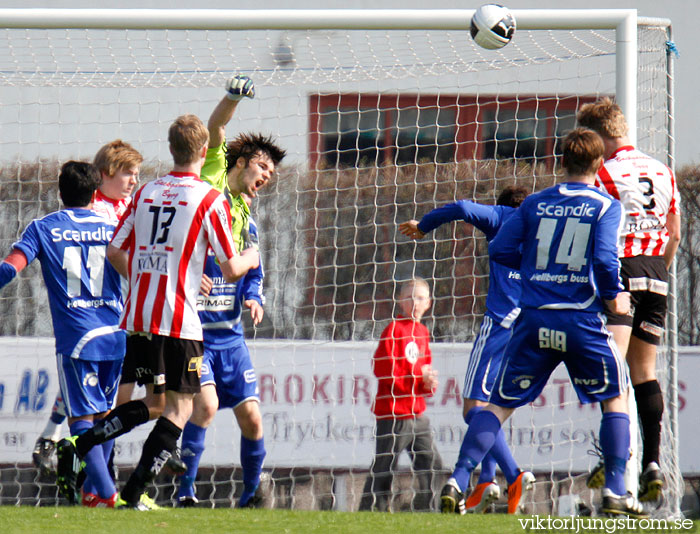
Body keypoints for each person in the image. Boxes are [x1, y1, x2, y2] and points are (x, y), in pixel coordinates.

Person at [56, 113, 260, 510]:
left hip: (138, 317)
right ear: (204, 151)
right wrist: (252, 257)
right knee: (180, 408)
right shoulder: (209, 198)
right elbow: (230, 269)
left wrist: (147, 278)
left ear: (170, 149)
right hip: (179, 320)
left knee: (154, 404)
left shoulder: (146, 191)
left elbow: (115, 250)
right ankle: (133, 492)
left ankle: (78, 445)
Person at [439, 128, 646, 518]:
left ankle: (458, 478)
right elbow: (603, 260)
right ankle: (616, 490)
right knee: (615, 396)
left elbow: (500, 248)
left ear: (560, 162)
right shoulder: (605, 206)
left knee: (497, 406)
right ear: (599, 165)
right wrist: (614, 294)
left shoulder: (535, 203)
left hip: (533, 322)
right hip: (580, 321)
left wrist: (537, 273)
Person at [174, 75, 286, 508]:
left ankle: (251, 496)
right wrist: (232, 98)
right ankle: (185, 494)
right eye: (263, 167)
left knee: (254, 419)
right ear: (240, 162)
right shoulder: (214, 181)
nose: (267, 177)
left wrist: (256, 296)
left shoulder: (246, 216)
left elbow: (253, 266)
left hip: (231, 336)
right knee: (203, 408)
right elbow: (217, 129)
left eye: (272, 173)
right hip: (195, 330)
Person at [398, 185, 535, 514]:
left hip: (501, 324)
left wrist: (424, 226)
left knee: (473, 407)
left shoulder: (502, 217)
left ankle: (512, 475)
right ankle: (486, 479)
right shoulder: (541, 220)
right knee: (494, 410)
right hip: (533, 328)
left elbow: (461, 206)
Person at [2, 161, 127, 507]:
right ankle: (92, 492)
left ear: (60, 192)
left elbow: (10, 268)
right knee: (105, 416)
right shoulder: (114, 225)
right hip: (116, 335)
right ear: (95, 191)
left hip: (77, 338)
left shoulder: (44, 228)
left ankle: (109, 495)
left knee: (81, 421)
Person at [577, 98, 681, 502]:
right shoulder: (663, 170)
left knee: (612, 368)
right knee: (644, 371)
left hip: (619, 275)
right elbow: (673, 232)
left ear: (599, 136)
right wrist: (660, 270)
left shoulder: (602, 171)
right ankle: (652, 462)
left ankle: (614, 459)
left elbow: (592, 227)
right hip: (657, 274)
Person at [31, 140, 143, 483]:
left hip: (122, 320)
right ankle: (99, 484)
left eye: (137, 174)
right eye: (128, 173)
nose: (134, 180)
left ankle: (78, 464)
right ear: (104, 175)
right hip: (98, 319)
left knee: (108, 407)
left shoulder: (128, 209)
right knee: (99, 405)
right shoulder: (95, 213)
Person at [359, 277, 442, 512]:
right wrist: (417, 379)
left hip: (417, 413)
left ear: (428, 303)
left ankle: (429, 508)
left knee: (431, 463)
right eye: (409, 297)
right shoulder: (394, 329)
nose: (414, 302)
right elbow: (383, 369)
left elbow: (424, 372)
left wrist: (428, 383)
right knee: (385, 465)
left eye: (420, 298)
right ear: (400, 301)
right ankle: (372, 509)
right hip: (393, 413)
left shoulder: (423, 332)